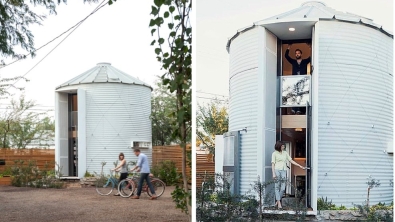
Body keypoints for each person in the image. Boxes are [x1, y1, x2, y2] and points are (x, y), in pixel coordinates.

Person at [271, 141, 305, 209]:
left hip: (284, 171)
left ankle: (277, 201)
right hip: (277, 170)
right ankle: (279, 202)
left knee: (283, 188)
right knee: (277, 187)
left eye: (284, 146)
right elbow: (273, 164)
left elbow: (291, 160)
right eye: (282, 146)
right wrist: (273, 173)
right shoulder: (274, 154)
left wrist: (299, 166)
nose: (284, 147)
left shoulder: (285, 153)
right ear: (279, 146)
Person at [285, 43, 311, 115]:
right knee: (294, 94)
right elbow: (286, 56)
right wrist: (288, 48)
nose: (297, 54)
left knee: (300, 94)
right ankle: (294, 109)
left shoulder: (305, 61)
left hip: (302, 81)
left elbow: (311, 57)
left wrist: (310, 48)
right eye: (296, 53)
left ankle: (299, 109)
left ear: (301, 54)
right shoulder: (293, 61)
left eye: (298, 53)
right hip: (295, 81)